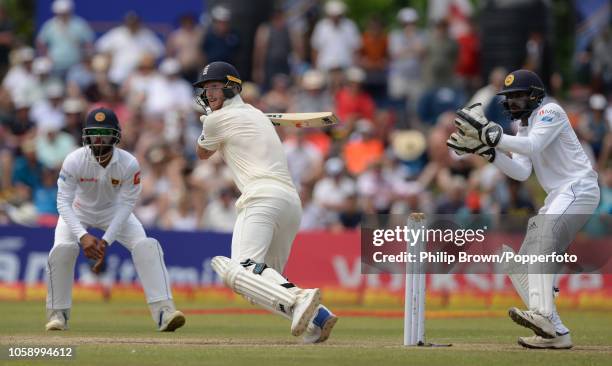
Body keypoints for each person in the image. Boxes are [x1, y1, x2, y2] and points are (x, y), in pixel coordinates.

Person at [447, 69, 600, 349]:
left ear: (534, 95)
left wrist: (492, 135)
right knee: (521, 266)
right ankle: (555, 333)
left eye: (518, 97)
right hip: (558, 195)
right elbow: (519, 171)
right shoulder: (523, 127)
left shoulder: (550, 111)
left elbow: (533, 146)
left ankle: (542, 315)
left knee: (543, 238)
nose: (513, 103)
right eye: (509, 98)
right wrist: (489, 153)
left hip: (579, 187)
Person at [193, 61, 337, 343]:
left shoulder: (216, 120)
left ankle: (301, 297)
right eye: (206, 89)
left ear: (231, 87)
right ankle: (318, 317)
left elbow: (201, 153)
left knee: (242, 270)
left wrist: (206, 120)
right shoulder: (255, 114)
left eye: (214, 87)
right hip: (290, 203)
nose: (208, 94)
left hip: (261, 197)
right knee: (256, 285)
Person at [45, 107, 185, 332]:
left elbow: (128, 204)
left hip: (115, 211)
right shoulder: (74, 160)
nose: (99, 138)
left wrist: (106, 241)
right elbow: (62, 202)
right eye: (94, 132)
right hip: (78, 211)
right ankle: (58, 315)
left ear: (115, 135)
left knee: (147, 247)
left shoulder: (129, 163)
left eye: (105, 132)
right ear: (86, 135)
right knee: (62, 250)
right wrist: (83, 236)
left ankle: (164, 313)